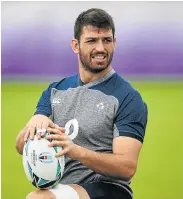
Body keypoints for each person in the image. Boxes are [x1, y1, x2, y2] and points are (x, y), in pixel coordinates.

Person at [16, 8, 148, 199]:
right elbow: (21, 147)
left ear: (114, 43)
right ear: (75, 45)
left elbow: (126, 167)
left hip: (109, 190)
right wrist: (33, 124)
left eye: (107, 40)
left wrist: (76, 151)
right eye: (92, 40)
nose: (101, 48)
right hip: (62, 187)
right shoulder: (55, 91)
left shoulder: (127, 97)